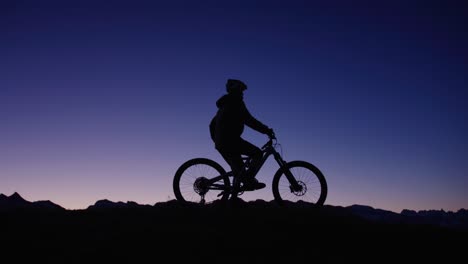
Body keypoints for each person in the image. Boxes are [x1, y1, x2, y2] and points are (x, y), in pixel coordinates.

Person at [209, 79, 275, 190]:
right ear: (235, 91)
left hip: (224, 142)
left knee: (239, 172)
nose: (242, 94)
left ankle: (235, 198)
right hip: (230, 141)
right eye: (241, 91)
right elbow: (249, 120)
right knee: (257, 154)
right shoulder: (235, 102)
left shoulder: (224, 105)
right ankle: (249, 181)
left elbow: (211, 125)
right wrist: (266, 130)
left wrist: (216, 141)